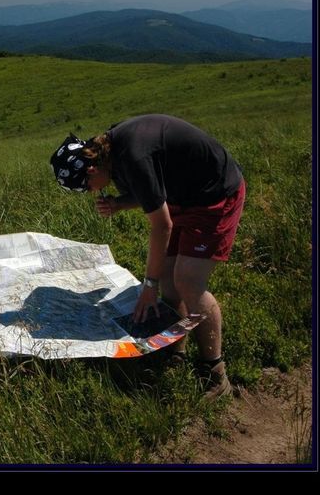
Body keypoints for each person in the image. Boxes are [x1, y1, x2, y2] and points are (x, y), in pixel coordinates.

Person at [50, 114, 245, 401]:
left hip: (215, 195)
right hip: (184, 196)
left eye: (91, 188)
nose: (97, 192)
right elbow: (150, 190)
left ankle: (215, 373)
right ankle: (175, 349)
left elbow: (162, 224)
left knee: (188, 280)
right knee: (169, 276)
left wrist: (148, 286)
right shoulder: (110, 150)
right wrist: (119, 204)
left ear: (91, 170)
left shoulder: (132, 156)